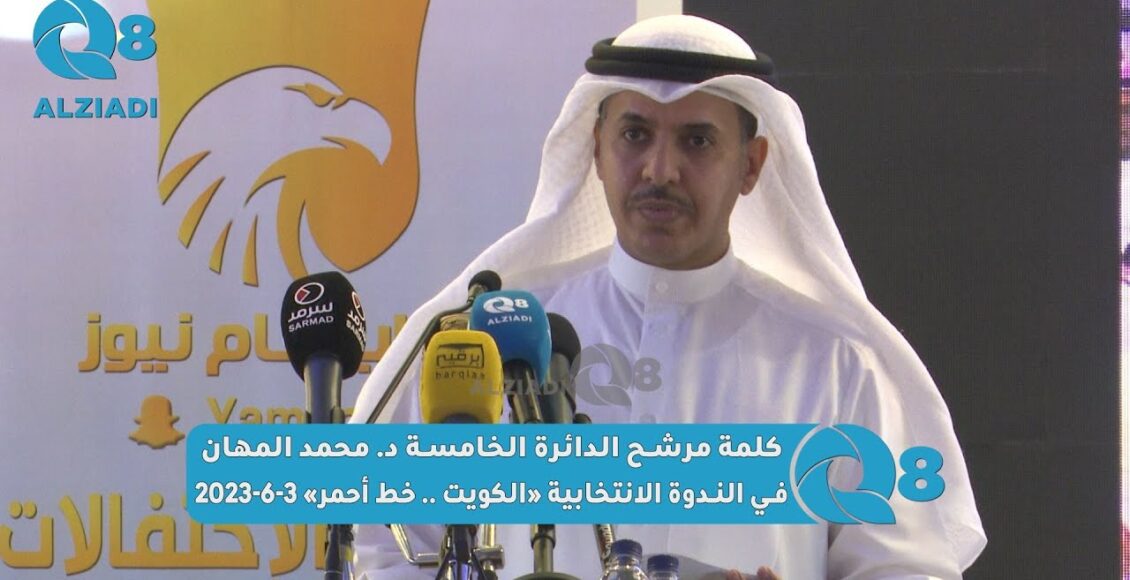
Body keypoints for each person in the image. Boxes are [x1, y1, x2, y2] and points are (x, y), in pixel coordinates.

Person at [350, 14, 986, 579]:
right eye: (635, 134)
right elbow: (387, 542)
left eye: (697, 141)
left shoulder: (834, 363)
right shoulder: (491, 338)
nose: (660, 170)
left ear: (751, 165)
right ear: (596, 149)